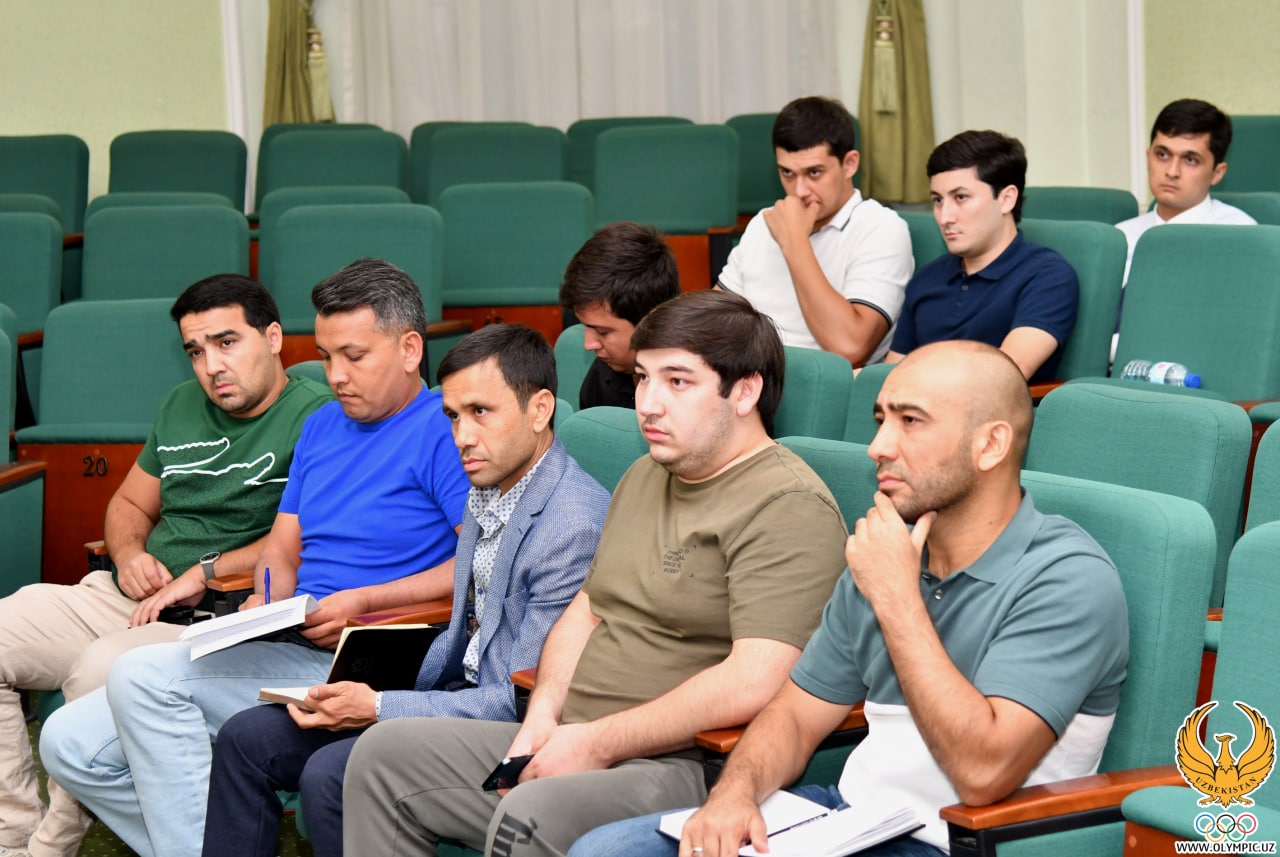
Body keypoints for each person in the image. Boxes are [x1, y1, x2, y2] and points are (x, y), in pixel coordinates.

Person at [569, 340, 1129, 857]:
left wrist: (897, 597)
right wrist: (733, 795)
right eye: (881, 420)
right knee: (604, 851)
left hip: (963, 841)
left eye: (911, 421)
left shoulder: (1067, 578)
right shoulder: (886, 553)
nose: (878, 447)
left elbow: (983, 774)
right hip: (855, 821)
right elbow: (794, 717)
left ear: (990, 445)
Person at [341, 289, 850, 856]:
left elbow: (755, 679)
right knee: (382, 756)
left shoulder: (787, 504)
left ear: (745, 391)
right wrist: (542, 720)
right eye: (643, 378)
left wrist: (597, 743)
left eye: (678, 382)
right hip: (575, 735)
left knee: (530, 813)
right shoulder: (645, 475)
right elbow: (586, 611)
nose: (649, 404)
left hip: (683, 761)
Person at [39, 258, 472, 857]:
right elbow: (280, 549)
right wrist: (267, 600)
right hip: (291, 639)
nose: (335, 376)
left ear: (409, 350)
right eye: (325, 357)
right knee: (66, 742)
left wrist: (363, 602)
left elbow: (477, 565)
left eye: (354, 356)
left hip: (370, 657)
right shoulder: (322, 426)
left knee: (142, 676)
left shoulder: (447, 430)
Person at [201, 323, 610, 857]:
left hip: (509, 723)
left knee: (330, 775)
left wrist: (377, 706)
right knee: (246, 738)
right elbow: (464, 641)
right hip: (452, 690)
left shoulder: (571, 527)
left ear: (539, 410)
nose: (462, 436)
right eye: (454, 416)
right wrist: (355, 685)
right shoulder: (490, 487)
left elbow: (519, 700)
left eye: (480, 412)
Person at [0, 275, 330, 857]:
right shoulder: (180, 405)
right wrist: (130, 554)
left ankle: (48, 849)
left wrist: (203, 571)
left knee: (98, 671)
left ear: (274, 338)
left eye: (227, 343)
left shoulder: (318, 417)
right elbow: (128, 504)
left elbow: (303, 537)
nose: (211, 366)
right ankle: (13, 836)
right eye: (196, 351)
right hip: (128, 594)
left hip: (210, 611)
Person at [716, 95, 913, 368]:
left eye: (814, 173)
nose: (800, 191)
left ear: (849, 164)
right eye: (787, 173)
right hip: (752, 373)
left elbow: (850, 348)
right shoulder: (765, 222)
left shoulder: (881, 228)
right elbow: (715, 317)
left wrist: (795, 241)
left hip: (823, 382)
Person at [887, 131, 1079, 384]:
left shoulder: (1047, 276)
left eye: (961, 197)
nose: (944, 217)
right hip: (910, 402)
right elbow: (890, 373)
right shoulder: (926, 278)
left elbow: (1003, 376)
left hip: (988, 407)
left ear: (1007, 199)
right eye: (938, 200)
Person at [1117, 98, 1255, 281]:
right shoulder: (1121, 238)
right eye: (1162, 155)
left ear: (1217, 173)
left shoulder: (1241, 237)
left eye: (1190, 160)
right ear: (1148, 157)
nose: (1172, 172)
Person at [558, 221, 681, 410]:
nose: (588, 344)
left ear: (652, 322)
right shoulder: (601, 377)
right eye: (586, 326)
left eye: (603, 332)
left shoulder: (697, 393)